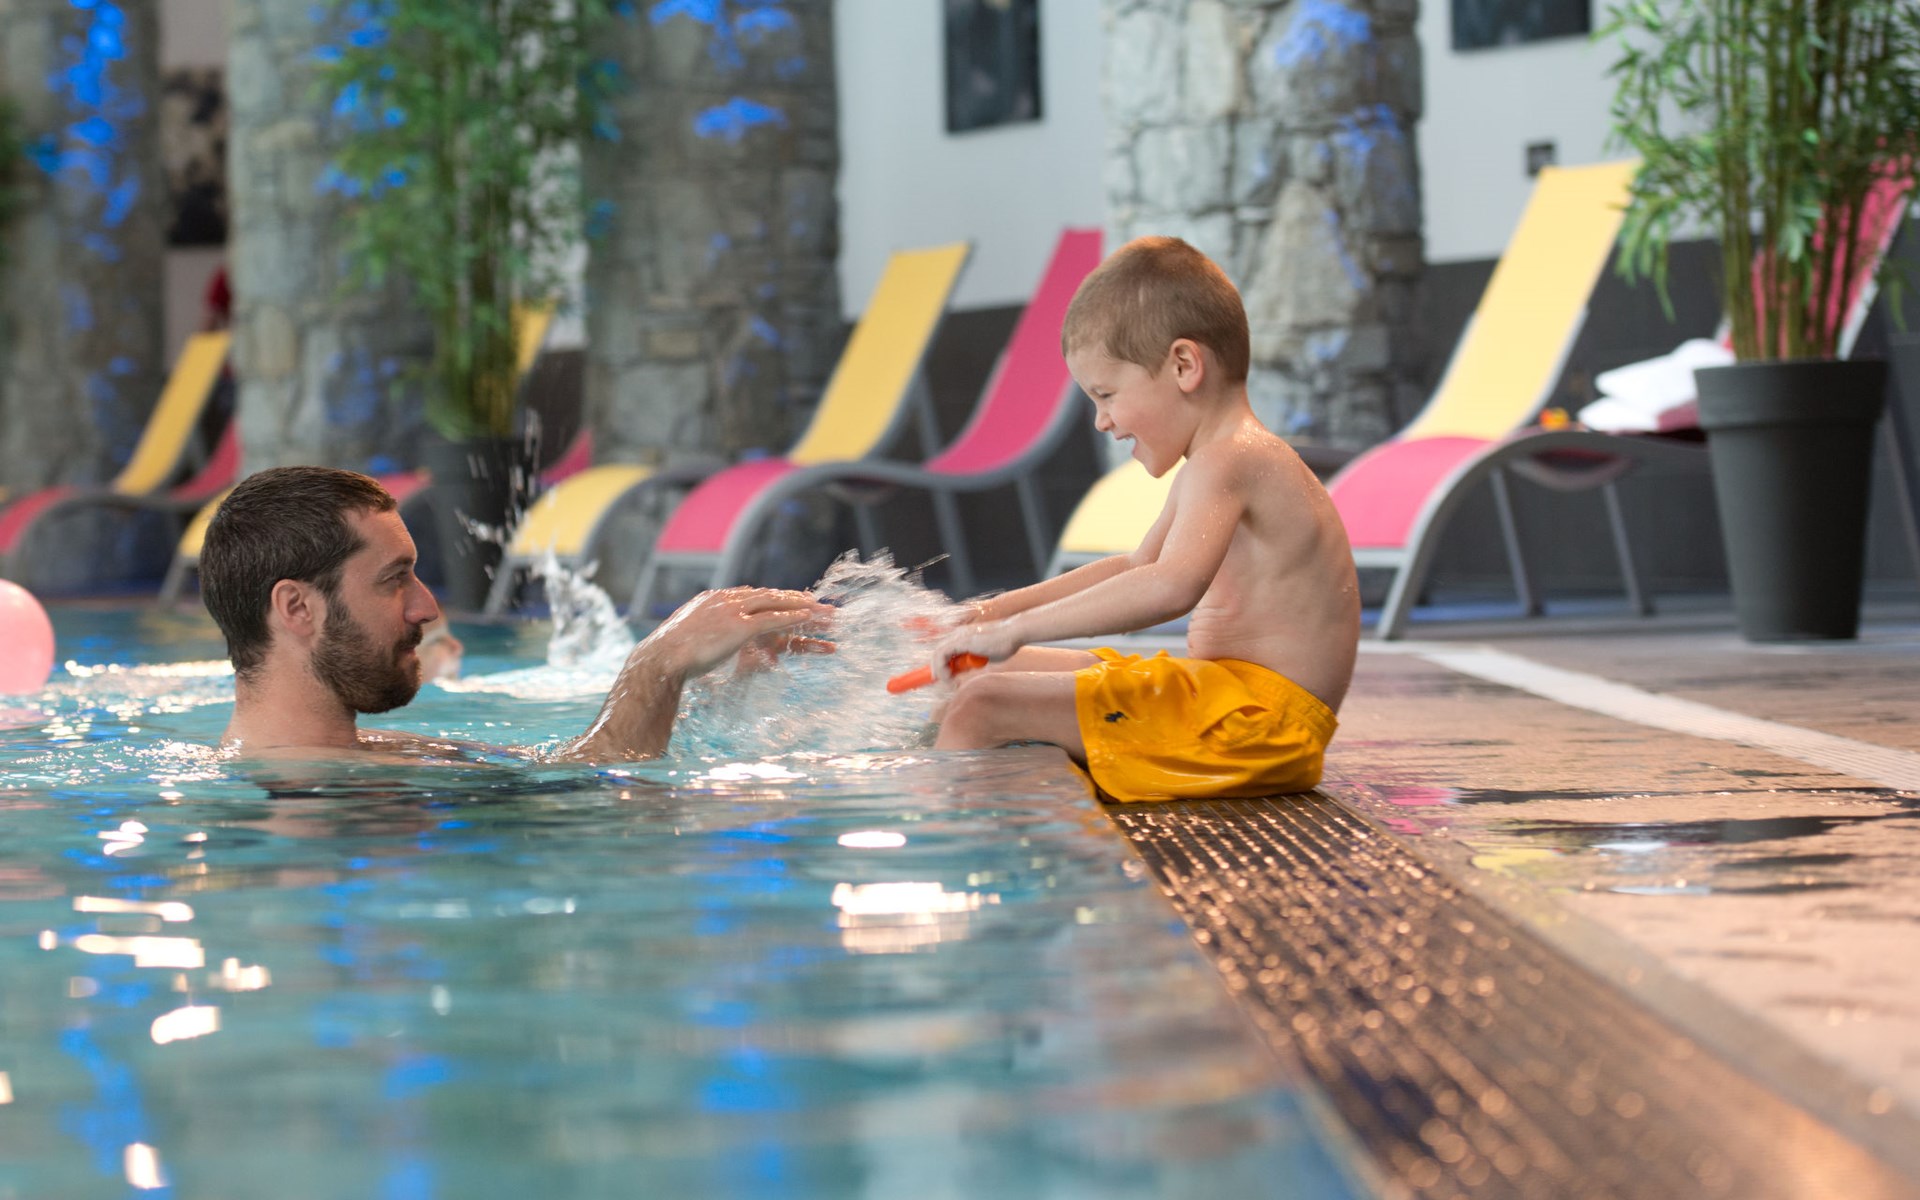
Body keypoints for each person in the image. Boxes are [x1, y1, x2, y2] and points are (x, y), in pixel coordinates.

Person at [925, 236, 1360, 801]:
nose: (1101, 420)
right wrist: (990, 613)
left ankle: (948, 829)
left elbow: (1169, 587)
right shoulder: (1221, 459)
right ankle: (994, 800)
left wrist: (1016, 631)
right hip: (1221, 701)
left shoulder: (1231, 458)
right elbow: (1136, 566)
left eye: (1106, 394)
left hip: (1259, 723)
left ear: (1183, 365)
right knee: (976, 672)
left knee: (982, 705)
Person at [199, 465, 830, 762]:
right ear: (297, 608)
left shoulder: (366, 756)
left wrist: (713, 688)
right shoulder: (310, 803)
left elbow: (569, 771)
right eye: (394, 579)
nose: (426, 606)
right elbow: (604, 816)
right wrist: (658, 662)